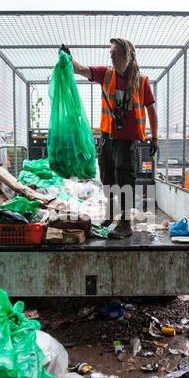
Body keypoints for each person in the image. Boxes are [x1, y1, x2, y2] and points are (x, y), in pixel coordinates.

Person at [61, 39, 158, 239]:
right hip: (107, 137)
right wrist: (69, 58)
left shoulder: (141, 81)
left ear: (127, 56)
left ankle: (125, 223)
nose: (111, 56)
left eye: (116, 53)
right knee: (107, 177)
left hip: (127, 140)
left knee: (124, 178)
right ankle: (111, 212)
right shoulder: (106, 74)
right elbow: (79, 69)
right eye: (110, 53)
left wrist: (154, 137)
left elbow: (151, 110)